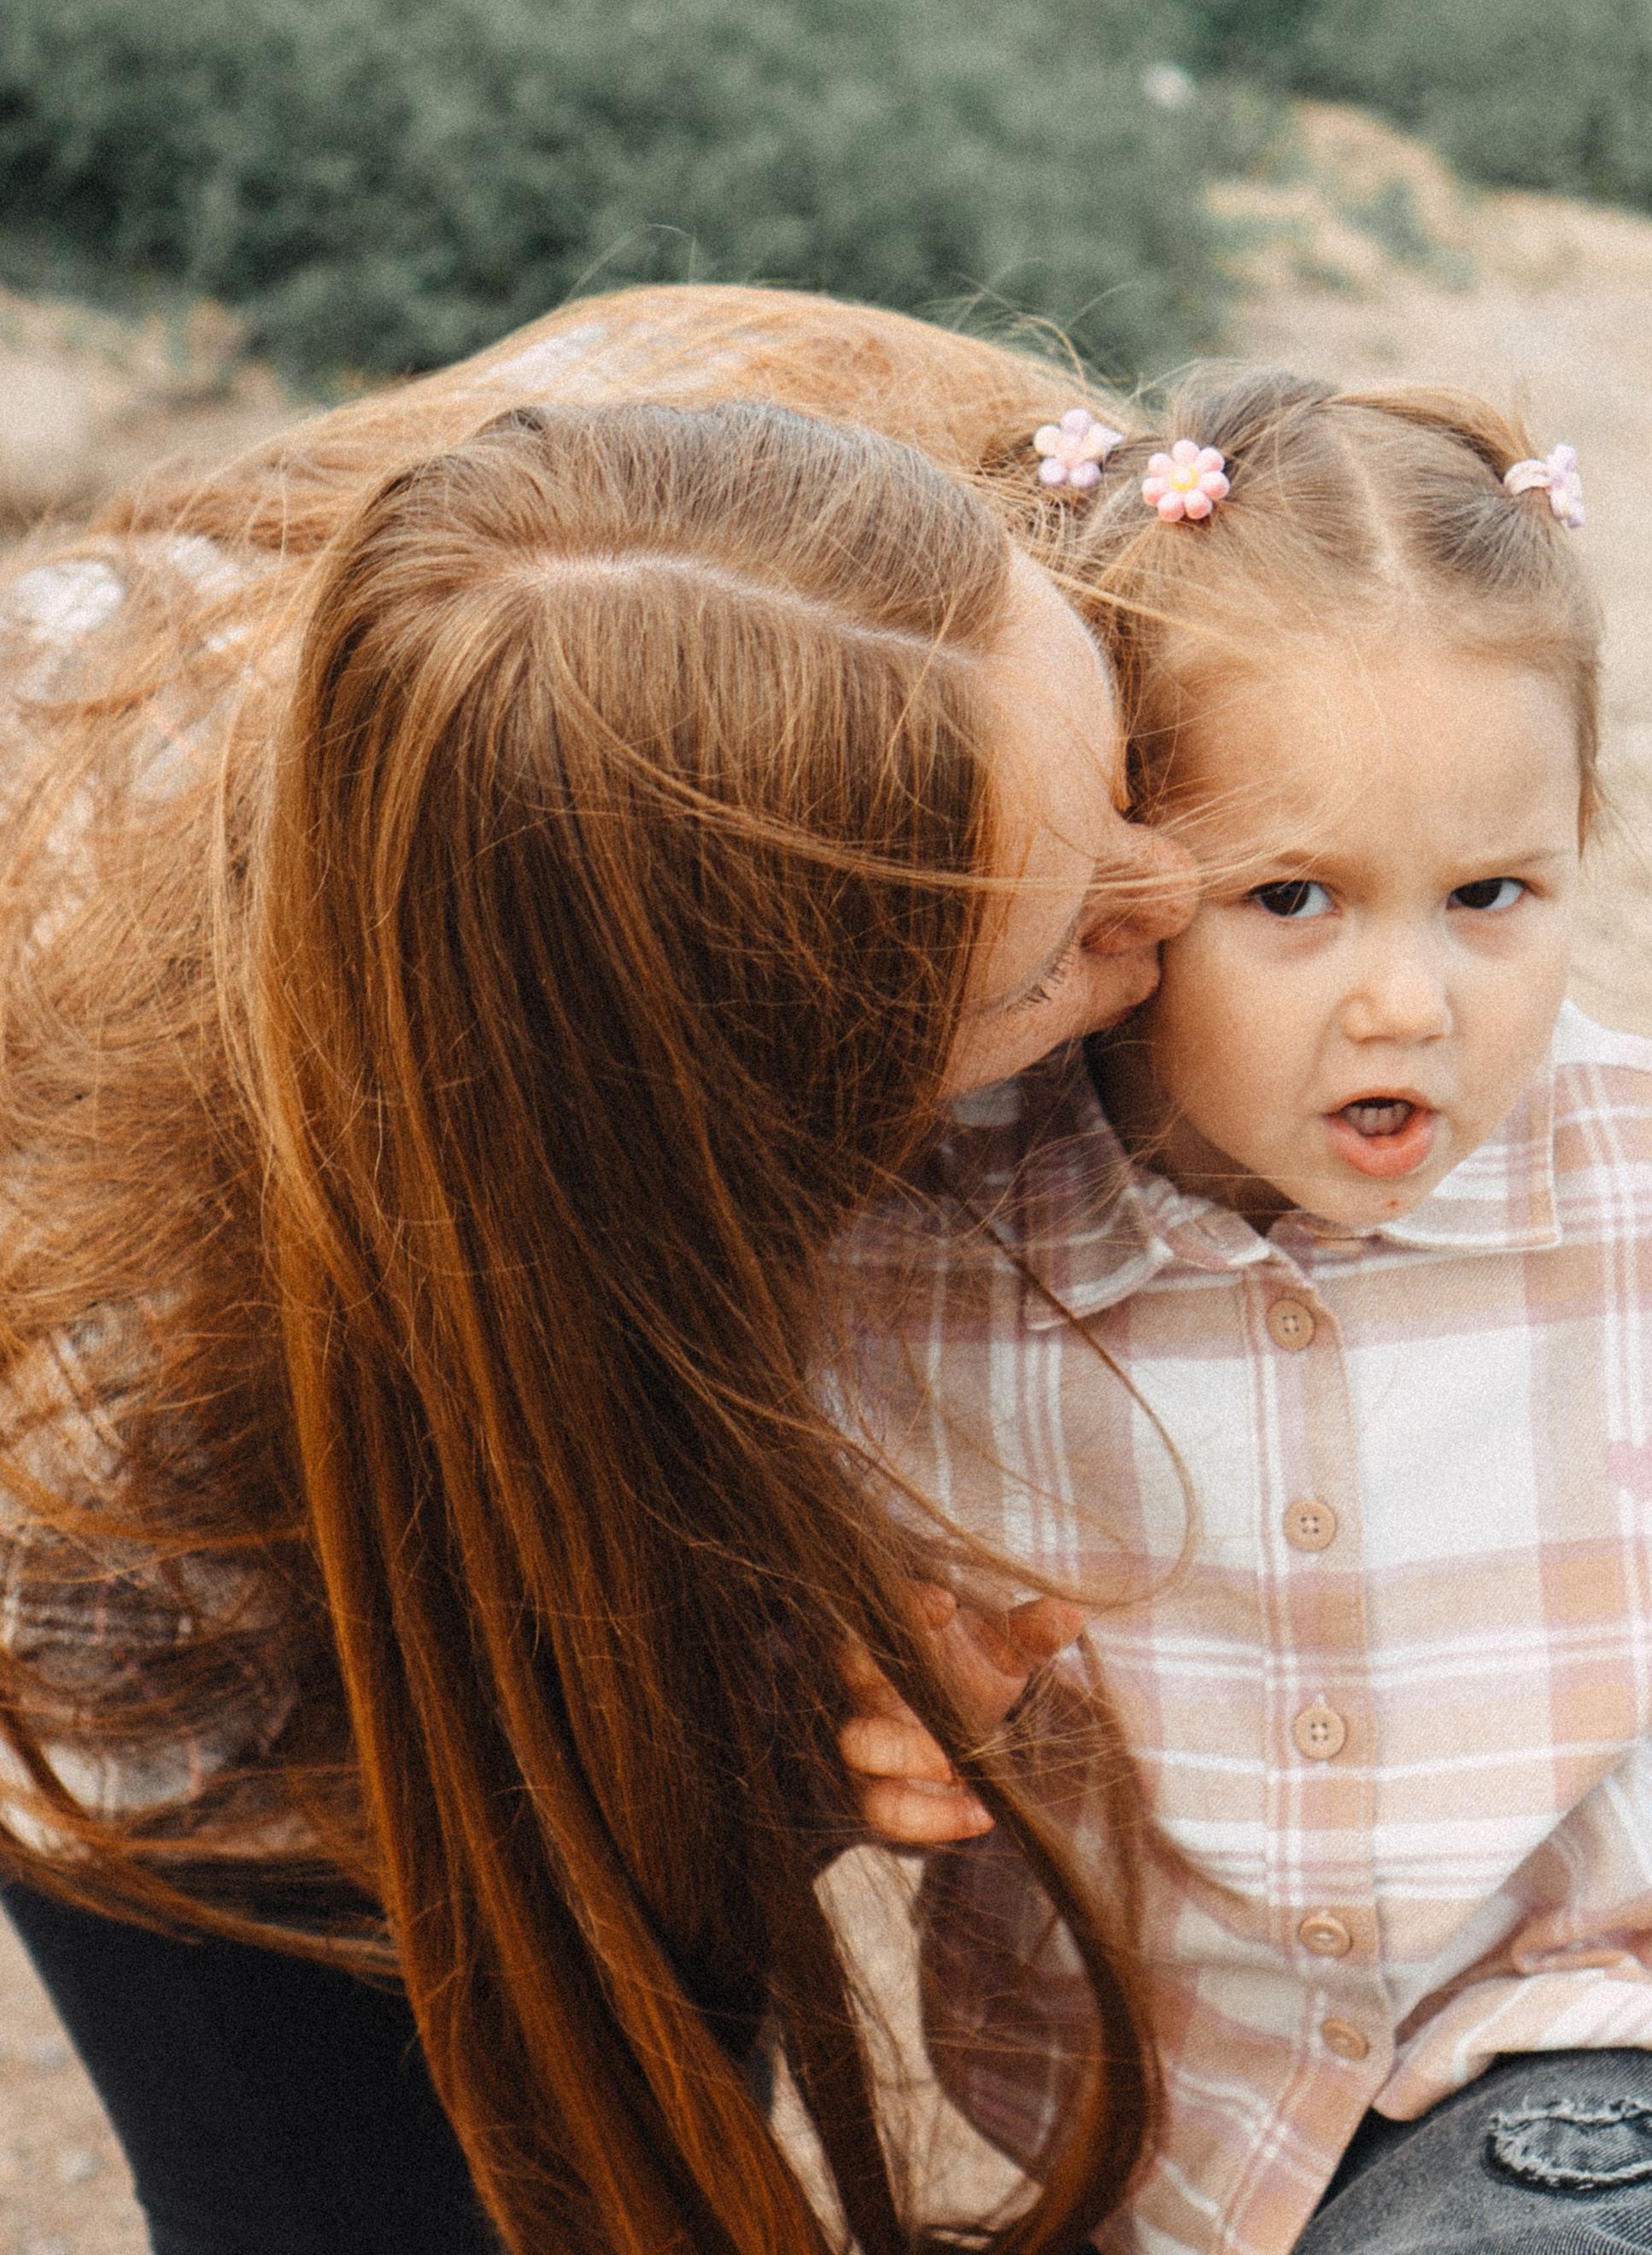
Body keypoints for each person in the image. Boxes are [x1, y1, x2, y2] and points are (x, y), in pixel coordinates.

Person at [841, 368, 1652, 2255]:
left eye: (1487, 893)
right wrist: (837, 1708)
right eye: (1293, 898)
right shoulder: (931, 1259)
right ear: (1123, 883)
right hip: (1165, 2140)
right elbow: (761, 1590)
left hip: (1622, 2051)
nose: (1408, 1001)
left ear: (1579, 831)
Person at [0, 287, 1198, 2255]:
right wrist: (743, 1705)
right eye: (1060, 950)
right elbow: (488, 1794)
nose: (1185, 897)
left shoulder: (849, 486)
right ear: (750, 1114)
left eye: (1127, 756)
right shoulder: (107, 1448)